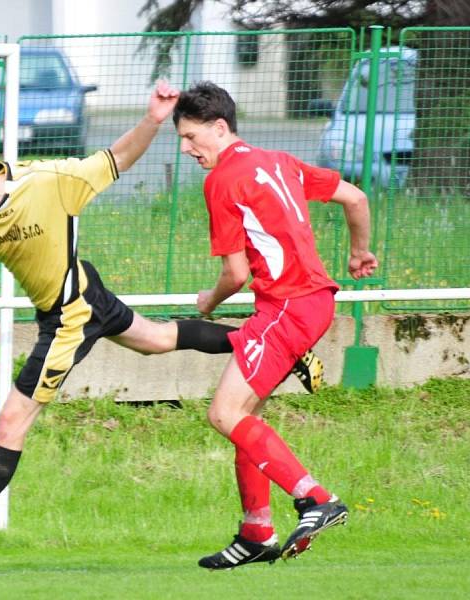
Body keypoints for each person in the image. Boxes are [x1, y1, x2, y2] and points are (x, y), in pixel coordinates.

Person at [0, 82, 321, 572]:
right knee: (154, 340)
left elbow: (117, 158)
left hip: (71, 315)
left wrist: (153, 119)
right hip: (85, 289)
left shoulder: (49, 182)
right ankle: (270, 345)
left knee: (12, 421)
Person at [172, 82, 378, 570]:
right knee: (247, 418)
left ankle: (316, 499)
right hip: (313, 304)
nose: (185, 149)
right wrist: (358, 251)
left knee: (223, 415)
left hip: (285, 308)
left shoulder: (221, 180)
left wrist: (210, 300)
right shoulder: (280, 160)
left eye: (189, 136)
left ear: (219, 129)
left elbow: (235, 273)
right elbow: (355, 197)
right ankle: (256, 532)